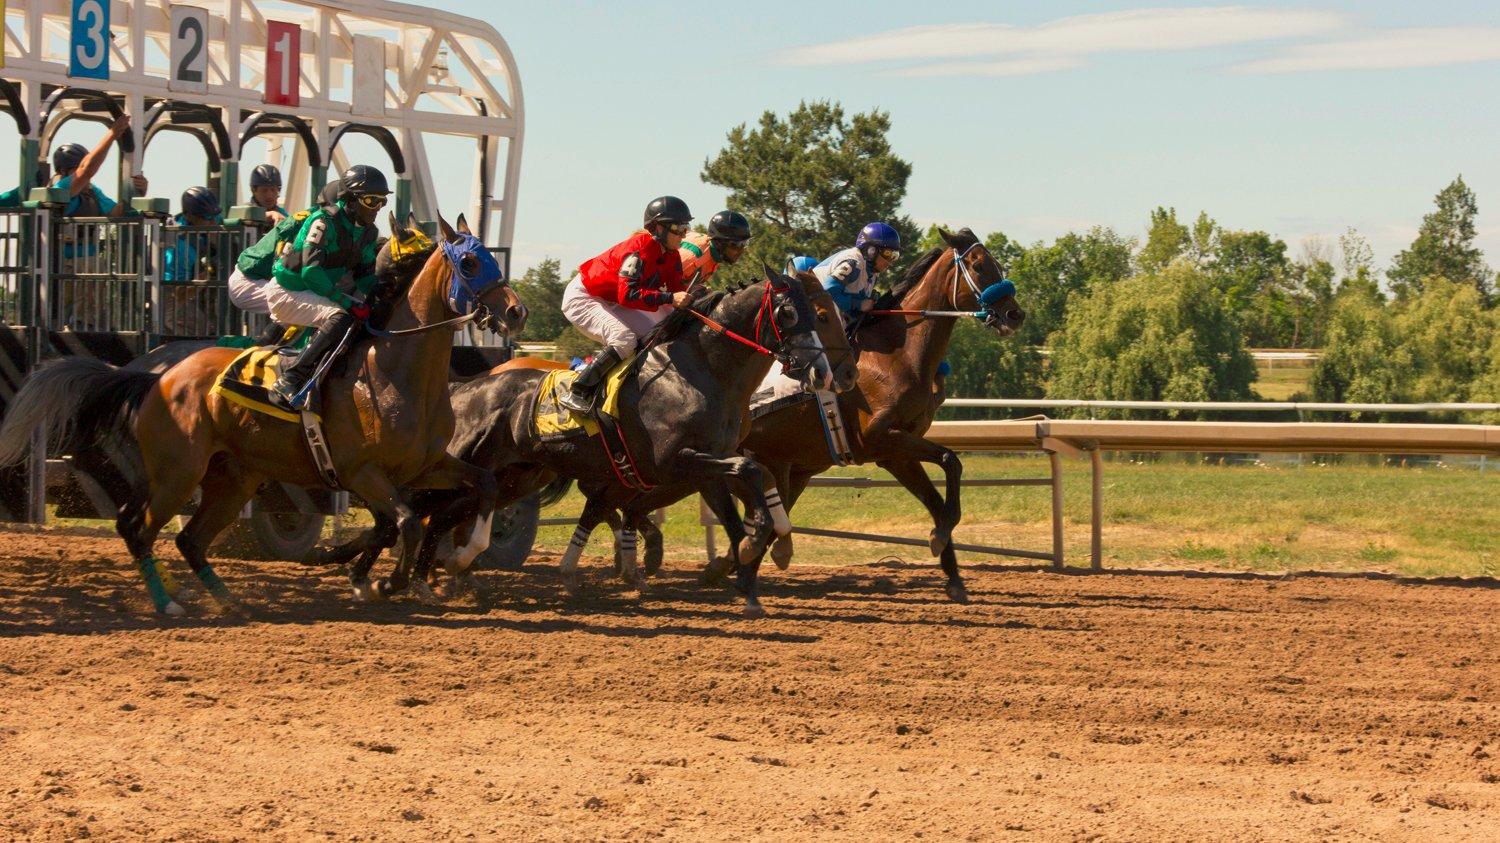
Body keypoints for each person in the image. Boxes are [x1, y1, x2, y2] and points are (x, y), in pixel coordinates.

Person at [265, 165, 389, 410]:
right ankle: (290, 378)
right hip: (287, 291)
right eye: (370, 200)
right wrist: (345, 301)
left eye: (381, 202)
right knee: (341, 316)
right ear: (350, 199)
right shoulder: (323, 221)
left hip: (313, 292)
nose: (376, 208)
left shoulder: (368, 233)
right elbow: (310, 272)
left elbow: (364, 276)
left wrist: (382, 295)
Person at [558, 195, 693, 414]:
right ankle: (578, 390)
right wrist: (670, 298)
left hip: (613, 299)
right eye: (678, 228)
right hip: (584, 296)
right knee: (624, 339)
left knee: (664, 330)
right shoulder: (638, 250)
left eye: (686, 227)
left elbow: (678, 295)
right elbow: (628, 296)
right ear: (658, 228)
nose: (684, 234)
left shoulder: (672, 255)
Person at [229, 180, 340, 344]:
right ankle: (250, 349)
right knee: (310, 304)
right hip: (247, 282)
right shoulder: (318, 222)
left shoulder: (321, 217)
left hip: (261, 278)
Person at [160, 186, 223, 334]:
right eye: (208, 218)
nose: (214, 222)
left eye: (215, 216)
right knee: (207, 331)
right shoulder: (181, 247)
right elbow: (176, 293)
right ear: (189, 216)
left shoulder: (204, 223)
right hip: (173, 299)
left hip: (194, 295)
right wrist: (202, 280)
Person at [812, 221, 901, 323]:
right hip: (812, 311)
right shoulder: (853, 263)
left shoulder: (873, 273)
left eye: (895, 256)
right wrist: (858, 304)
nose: (890, 261)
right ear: (871, 250)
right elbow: (825, 294)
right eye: (888, 253)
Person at [677, 210, 750, 286]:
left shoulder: (716, 254)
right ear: (720, 243)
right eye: (736, 244)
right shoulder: (694, 257)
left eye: (744, 243)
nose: (741, 250)